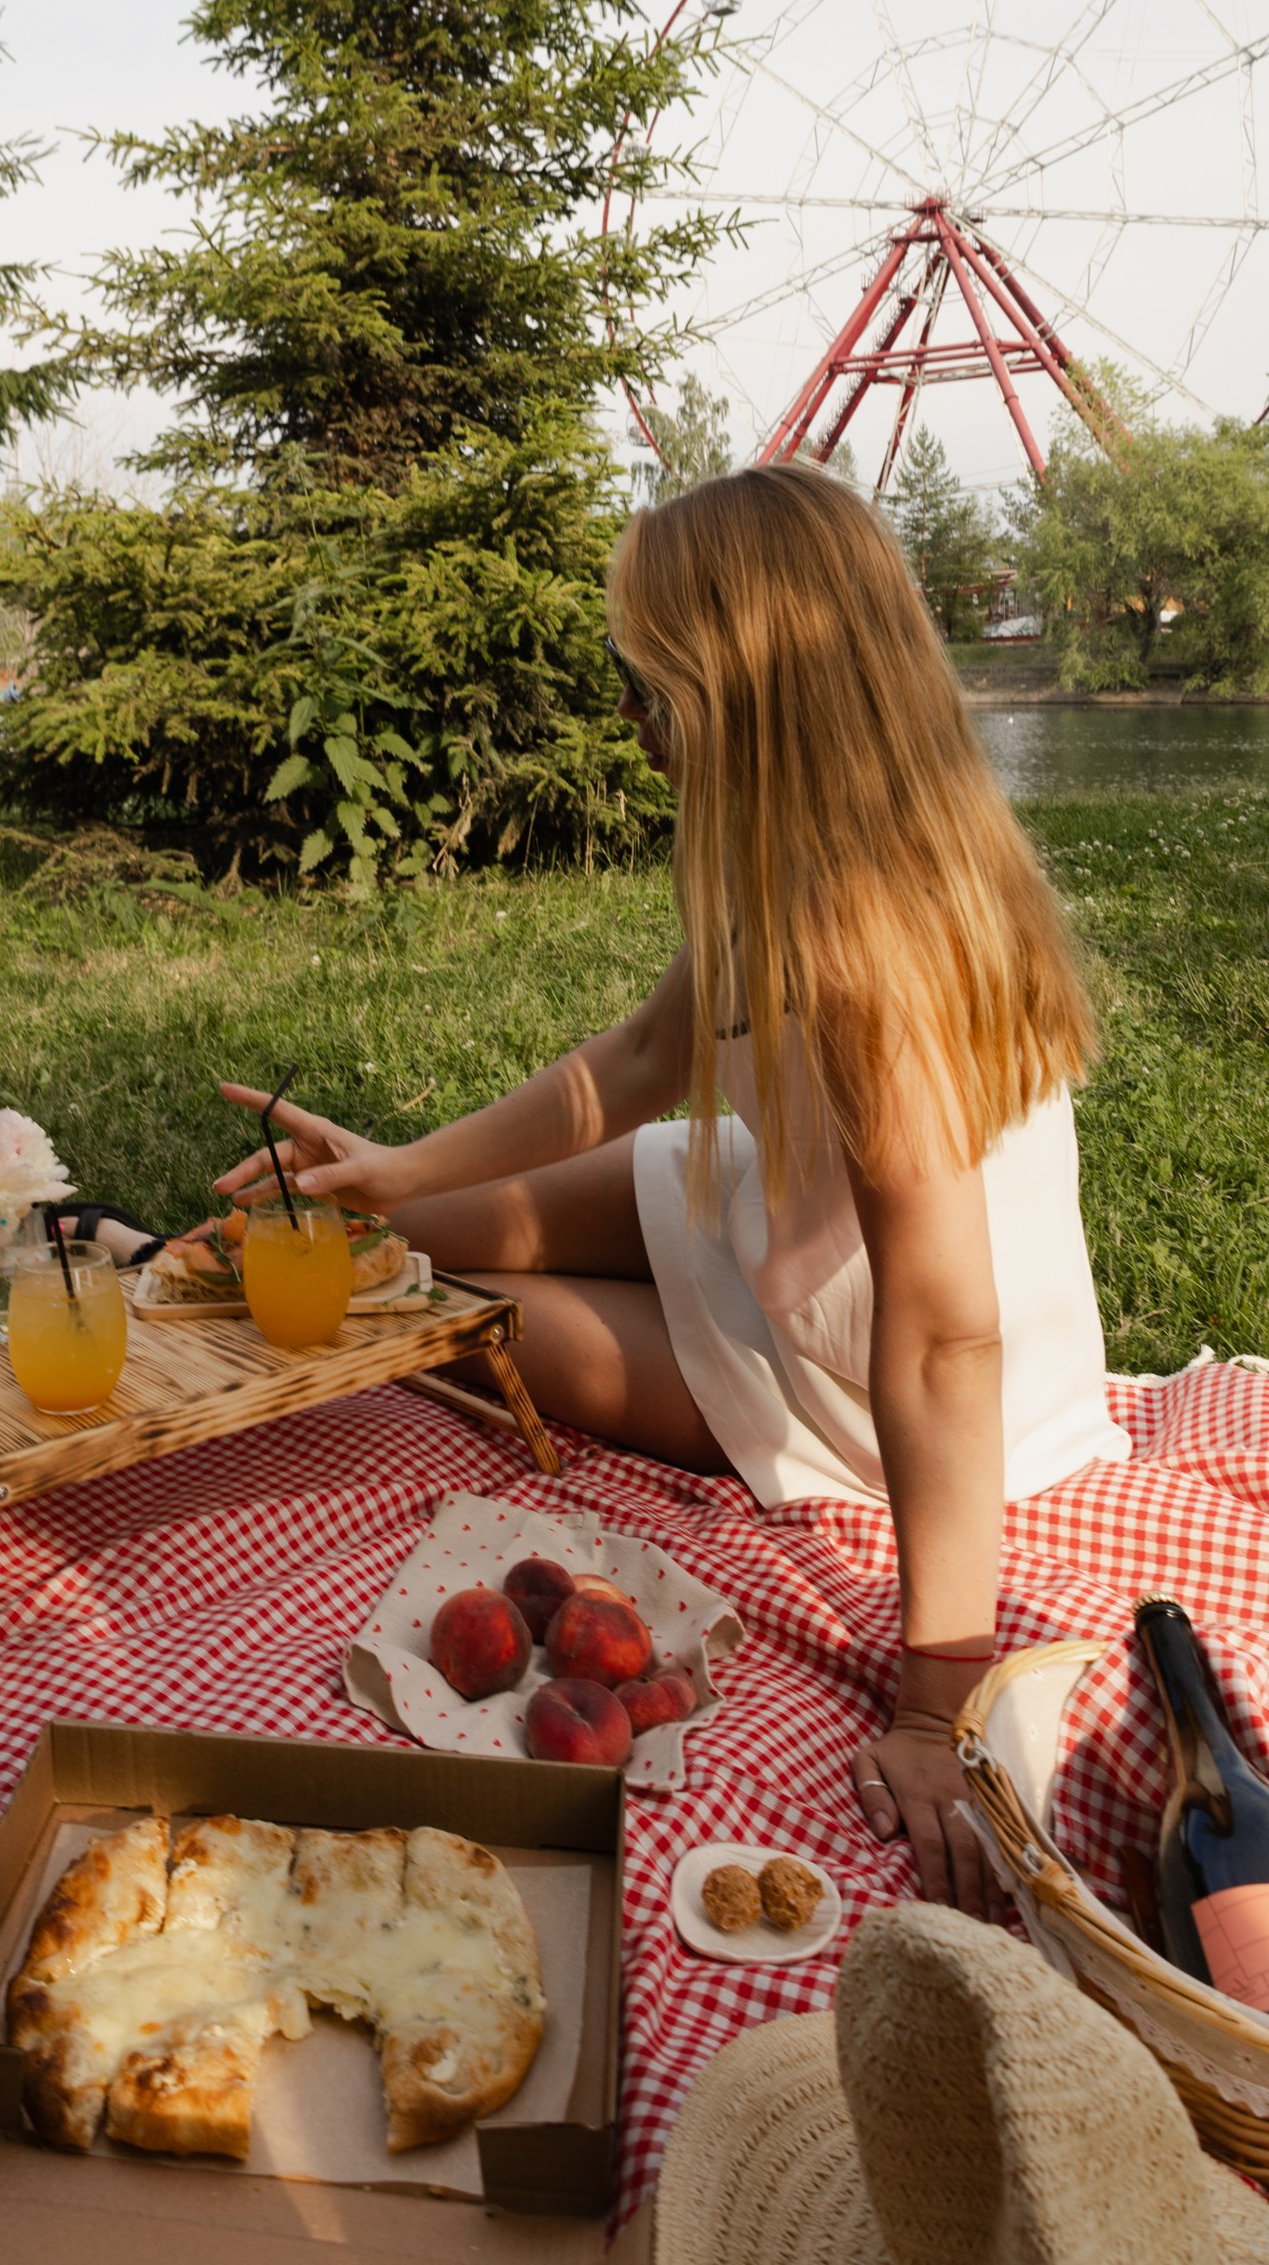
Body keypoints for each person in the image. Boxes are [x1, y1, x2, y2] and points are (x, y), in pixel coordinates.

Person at [216, 463, 1127, 1915]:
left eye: (650, 691)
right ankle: (210, 1253)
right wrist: (395, 1172)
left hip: (857, 1363)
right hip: (780, 1217)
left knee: (466, 1321)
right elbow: (643, 1055)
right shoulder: (799, 853)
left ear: (748, 700)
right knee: (386, 1238)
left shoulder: (877, 947)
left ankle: (308, 1273)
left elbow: (947, 1334)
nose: (633, 726)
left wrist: (933, 1701)